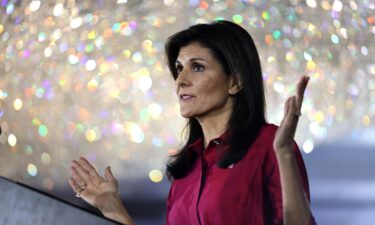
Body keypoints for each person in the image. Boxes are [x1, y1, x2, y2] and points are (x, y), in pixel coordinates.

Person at [69, 20, 315, 225]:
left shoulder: (270, 145)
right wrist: (114, 210)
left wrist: (283, 154)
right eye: (178, 69)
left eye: (197, 67)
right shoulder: (186, 168)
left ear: (235, 82)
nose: (180, 80)